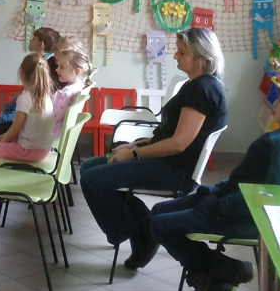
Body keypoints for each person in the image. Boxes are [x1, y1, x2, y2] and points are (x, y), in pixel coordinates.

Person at [150, 75, 280, 291]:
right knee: (159, 210)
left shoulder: (278, 143)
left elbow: (269, 196)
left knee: (159, 223)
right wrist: (218, 191)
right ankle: (212, 278)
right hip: (234, 202)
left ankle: (222, 269)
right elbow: (249, 180)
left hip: (244, 216)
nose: (275, 104)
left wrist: (220, 204)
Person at [79, 27, 227, 268]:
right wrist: (138, 144)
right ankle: (144, 226)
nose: (175, 56)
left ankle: (139, 233)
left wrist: (134, 153)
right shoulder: (196, 85)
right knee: (88, 168)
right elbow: (171, 132)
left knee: (92, 180)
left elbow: (179, 143)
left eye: (182, 52)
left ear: (202, 58)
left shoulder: (202, 90)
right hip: (166, 160)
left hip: (174, 170)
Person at [0, 52, 55, 219]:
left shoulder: (25, 98)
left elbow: (15, 130)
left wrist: (1, 141)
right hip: (42, 148)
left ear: (21, 73)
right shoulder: (45, 95)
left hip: (28, 150)